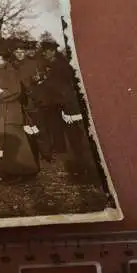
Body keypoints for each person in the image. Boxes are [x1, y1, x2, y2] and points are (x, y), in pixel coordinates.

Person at [0, 49, 40, 182]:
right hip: (2, 111)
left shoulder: (9, 71)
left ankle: (24, 171)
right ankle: (12, 170)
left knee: (16, 143)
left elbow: (15, 91)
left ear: (1, 56)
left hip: (10, 112)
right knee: (8, 143)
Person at [40, 41, 93, 174]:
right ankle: (78, 160)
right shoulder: (49, 65)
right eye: (44, 51)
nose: (44, 53)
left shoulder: (62, 65)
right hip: (58, 103)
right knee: (66, 132)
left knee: (75, 133)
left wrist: (45, 83)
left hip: (68, 103)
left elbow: (66, 84)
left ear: (52, 51)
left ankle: (83, 162)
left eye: (47, 51)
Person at [11, 40, 54, 163]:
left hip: (33, 101)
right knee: (25, 128)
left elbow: (42, 80)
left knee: (39, 127)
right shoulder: (11, 66)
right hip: (18, 101)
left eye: (22, 52)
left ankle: (46, 153)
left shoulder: (33, 64)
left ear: (25, 52)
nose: (19, 54)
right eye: (17, 52)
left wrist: (37, 82)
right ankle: (30, 152)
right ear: (14, 53)